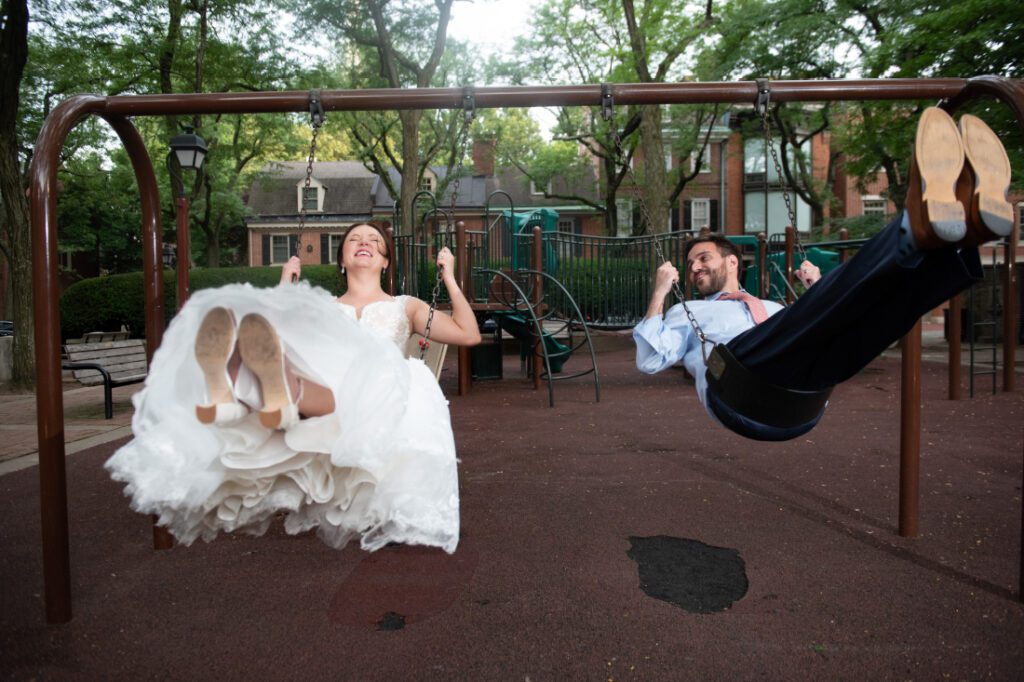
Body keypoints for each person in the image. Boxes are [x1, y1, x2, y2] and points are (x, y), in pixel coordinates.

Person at [634, 107, 1014, 441]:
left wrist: (818, 290)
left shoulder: (771, 307)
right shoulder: (685, 314)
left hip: (800, 404)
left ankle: (964, 240)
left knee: (872, 324)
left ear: (732, 262)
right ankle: (914, 225)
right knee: (793, 328)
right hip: (738, 391)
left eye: (703, 258)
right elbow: (651, 361)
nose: (695, 267)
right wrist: (660, 292)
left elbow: (817, 327)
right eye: (690, 265)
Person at [105, 223, 481, 553]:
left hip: (382, 400)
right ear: (342, 260)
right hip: (331, 401)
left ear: (385, 261)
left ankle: (259, 393)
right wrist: (285, 287)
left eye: (374, 241)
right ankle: (242, 388)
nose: (363, 243)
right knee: (280, 349)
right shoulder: (324, 308)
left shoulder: (406, 306)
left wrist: (449, 277)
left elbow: (468, 333)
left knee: (403, 375)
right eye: (353, 240)